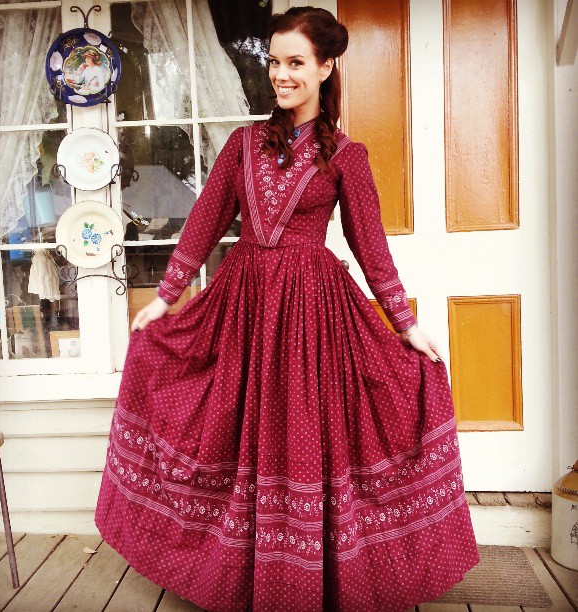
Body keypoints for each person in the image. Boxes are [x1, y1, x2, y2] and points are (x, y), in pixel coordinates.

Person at [95, 7, 480, 611]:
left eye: (295, 62)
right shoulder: (243, 145)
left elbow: (370, 247)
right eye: (274, 62)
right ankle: (240, 577)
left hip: (312, 318)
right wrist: (166, 297)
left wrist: (405, 324)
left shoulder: (346, 156)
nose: (280, 74)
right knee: (231, 432)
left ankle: (312, 582)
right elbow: (205, 222)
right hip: (242, 309)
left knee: (304, 440)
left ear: (325, 68)